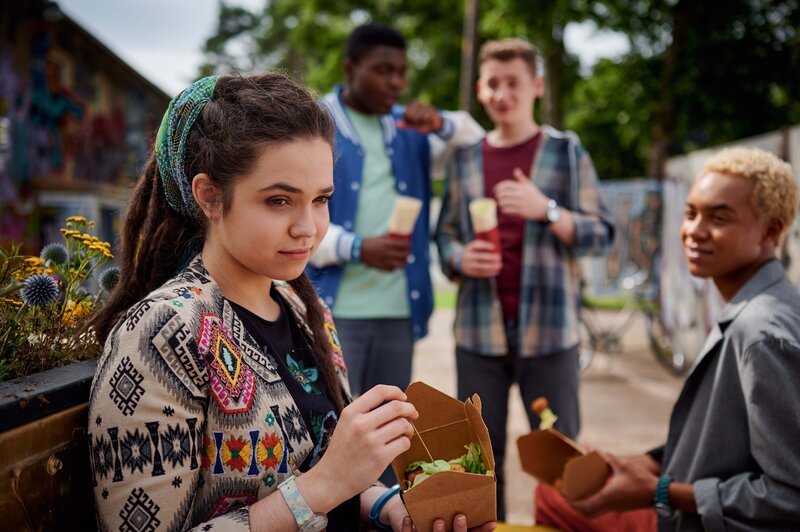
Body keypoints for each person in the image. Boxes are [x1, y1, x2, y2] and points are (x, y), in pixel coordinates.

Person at [87, 73, 494, 532]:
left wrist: (390, 507)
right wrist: (322, 485)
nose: (308, 228)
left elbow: (336, 472)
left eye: (321, 199)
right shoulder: (161, 334)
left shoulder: (304, 310)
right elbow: (325, 478)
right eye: (279, 200)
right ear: (210, 197)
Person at [536, 147, 800, 531]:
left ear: (772, 231)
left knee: (556, 502)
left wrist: (658, 491)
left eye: (719, 217)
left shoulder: (762, 334)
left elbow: (790, 496)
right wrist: (644, 464)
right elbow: (730, 443)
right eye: (691, 213)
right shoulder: (760, 305)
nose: (694, 230)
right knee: (558, 490)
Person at [435, 38, 614, 520]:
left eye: (513, 83)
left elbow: (601, 233)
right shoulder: (465, 158)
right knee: (478, 458)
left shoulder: (565, 150)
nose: (502, 94)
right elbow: (444, 235)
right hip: (477, 333)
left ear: (536, 86)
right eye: (492, 84)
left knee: (557, 457)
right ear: (480, 90)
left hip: (551, 333)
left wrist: (547, 210)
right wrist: (459, 257)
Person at [307, 23, 484, 402]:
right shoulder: (312, 124)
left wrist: (441, 122)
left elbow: (477, 141)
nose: (396, 83)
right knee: (333, 423)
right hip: (332, 310)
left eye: (402, 72)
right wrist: (357, 248)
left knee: (389, 430)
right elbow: (295, 221)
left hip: (399, 310)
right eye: (383, 70)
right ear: (350, 69)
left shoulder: (409, 128)